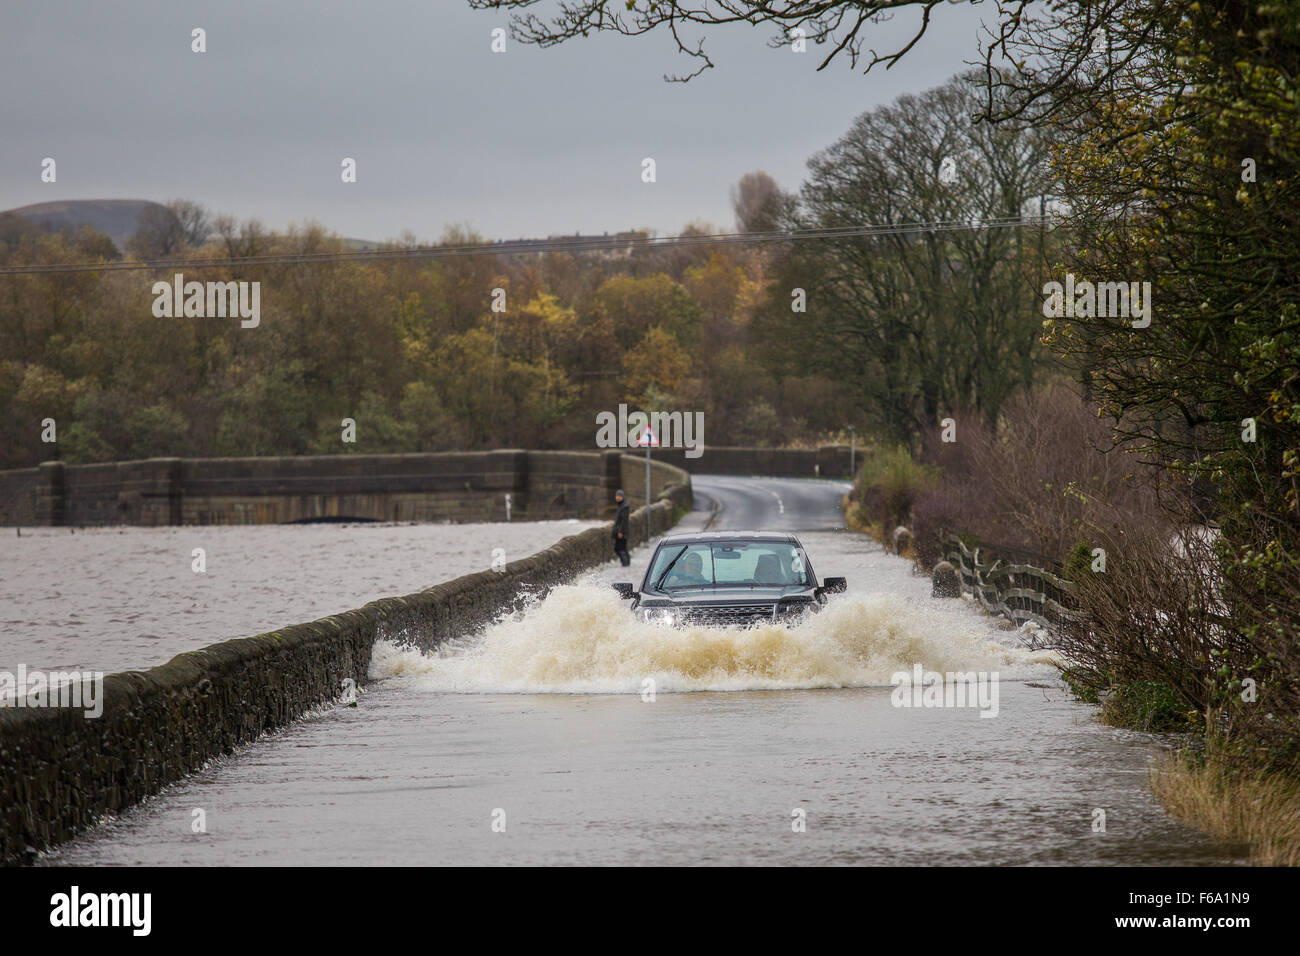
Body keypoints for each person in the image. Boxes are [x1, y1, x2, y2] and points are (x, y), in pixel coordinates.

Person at [612, 489, 631, 566]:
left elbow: (624, 521)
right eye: (617, 496)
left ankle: (625, 563)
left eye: (619, 496)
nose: (618, 498)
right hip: (619, 531)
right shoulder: (621, 505)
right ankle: (626, 562)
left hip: (621, 532)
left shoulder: (624, 507)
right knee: (622, 547)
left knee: (619, 548)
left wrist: (620, 532)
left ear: (622, 497)